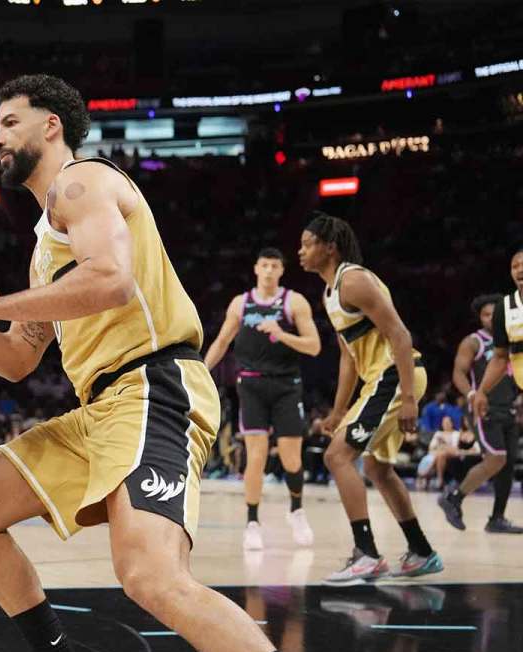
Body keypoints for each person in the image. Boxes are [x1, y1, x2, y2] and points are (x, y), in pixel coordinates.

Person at [0, 74, 292, 652]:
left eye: (9, 122)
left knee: (152, 578)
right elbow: (16, 360)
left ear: (50, 125)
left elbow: (111, 280)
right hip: (101, 407)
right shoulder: (44, 248)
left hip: (152, 386)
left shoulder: (82, 183)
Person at [299, 211, 442, 584]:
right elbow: (349, 356)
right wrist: (338, 411)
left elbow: (401, 335)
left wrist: (409, 397)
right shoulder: (330, 291)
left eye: (307, 244)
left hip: (396, 374)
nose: (300, 251)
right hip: (381, 379)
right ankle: (422, 552)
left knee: (336, 456)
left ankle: (367, 554)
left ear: (329, 248)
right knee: (377, 468)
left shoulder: (354, 280)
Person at [204, 247, 320, 550]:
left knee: (291, 457)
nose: (269, 270)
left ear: (281, 271)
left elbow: (314, 346)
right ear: (256, 268)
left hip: (286, 386)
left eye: (274, 266)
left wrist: (282, 334)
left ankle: (296, 510)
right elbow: (222, 342)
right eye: (264, 265)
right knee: (255, 457)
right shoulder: (241, 304)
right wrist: (202, 371)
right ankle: (252, 523)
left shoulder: (294, 302)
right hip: (252, 387)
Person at [469, 252, 523, 532]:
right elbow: (501, 358)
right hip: (502, 401)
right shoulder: (503, 311)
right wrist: (478, 393)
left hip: (512, 404)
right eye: (514, 265)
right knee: (501, 460)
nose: (519, 270)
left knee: (507, 460)